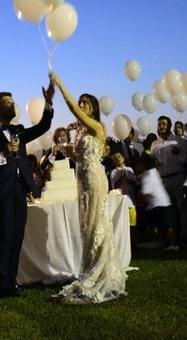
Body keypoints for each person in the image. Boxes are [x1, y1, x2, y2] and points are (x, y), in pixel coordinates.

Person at [0, 80, 55, 299]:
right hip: (1, 192)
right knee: (6, 237)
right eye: (7, 101)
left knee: (17, 238)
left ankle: (11, 282)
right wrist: (3, 155)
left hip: (20, 191)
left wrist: (48, 102)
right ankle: (5, 286)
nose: (12, 104)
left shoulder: (17, 130)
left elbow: (42, 127)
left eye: (12, 101)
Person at [50, 72, 127, 304]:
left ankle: (101, 271)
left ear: (92, 108)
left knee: (97, 224)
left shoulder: (96, 126)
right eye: (80, 101)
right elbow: (78, 156)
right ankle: (91, 268)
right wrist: (66, 148)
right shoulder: (82, 131)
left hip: (94, 179)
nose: (81, 105)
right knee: (87, 226)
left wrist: (60, 83)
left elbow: (72, 107)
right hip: (81, 179)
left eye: (85, 103)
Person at [151, 116, 187, 239]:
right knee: (169, 208)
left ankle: (186, 234)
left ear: (169, 126)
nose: (161, 127)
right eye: (159, 124)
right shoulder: (154, 144)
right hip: (163, 179)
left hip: (178, 177)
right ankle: (173, 235)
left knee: (182, 207)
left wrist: (178, 154)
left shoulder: (179, 141)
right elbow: (152, 161)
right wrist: (154, 163)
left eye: (163, 124)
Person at [134, 153, 178, 250]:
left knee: (166, 226)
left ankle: (173, 244)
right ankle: (167, 242)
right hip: (162, 202)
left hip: (157, 204)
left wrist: (136, 198)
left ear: (143, 165)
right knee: (164, 225)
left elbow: (144, 192)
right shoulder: (153, 172)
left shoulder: (147, 176)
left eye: (138, 164)